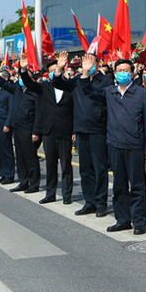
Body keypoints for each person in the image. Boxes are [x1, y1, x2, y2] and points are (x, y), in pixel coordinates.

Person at [80, 54, 146, 235]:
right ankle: (122, 220)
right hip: (114, 145)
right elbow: (88, 91)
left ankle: (139, 222)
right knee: (119, 186)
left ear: (132, 72)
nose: (122, 73)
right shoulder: (109, 92)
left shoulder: (141, 94)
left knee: (137, 186)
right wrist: (85, 71)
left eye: (126, 71)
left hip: (135, 146)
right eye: (119, 71)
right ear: (114, 73)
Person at [53, 52, 113, 217]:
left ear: (98, 64)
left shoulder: (106, 81)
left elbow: (97, 97)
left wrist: (86, 74)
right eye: (85, 61)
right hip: (81, 129)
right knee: (85, 169)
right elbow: (58, 83)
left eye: (91, 61)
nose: (87, 64)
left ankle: (101, 203)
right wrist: (59, 67)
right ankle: (90, 202)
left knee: (99, 168)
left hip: (98, 130)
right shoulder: (77, 80)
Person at [22, 57, 74, 205]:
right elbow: (28, 83)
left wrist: (74, 130)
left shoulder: (70, 87)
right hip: (48, 132)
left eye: (55, 70)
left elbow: (75, 110)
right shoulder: (44, 87)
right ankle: (50, 193)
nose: (53, 73)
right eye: (50, 71)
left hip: (65, 131)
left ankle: (67, 195)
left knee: (66, 165)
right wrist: (24, 70)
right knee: (51, 164)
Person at [0, 59, 41, 193]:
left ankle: (34, 183)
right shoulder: (17, 90)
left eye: (24, 77)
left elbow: (39, 114)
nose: (21, 79)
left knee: (31, 158)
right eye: (20, 77)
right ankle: (23, 181)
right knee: (20, 157)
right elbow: (3, 82)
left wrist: (36, 132)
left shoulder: (35, 93)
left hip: (29, 129)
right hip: (18, 128)